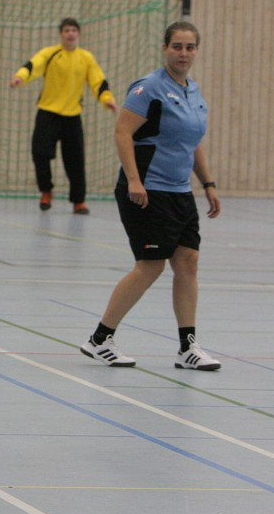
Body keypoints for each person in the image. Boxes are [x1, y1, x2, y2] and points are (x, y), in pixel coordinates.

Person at [80, 21, 221, 371]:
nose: (183, 53)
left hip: (179, 192)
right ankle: (99, 339)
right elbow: (122, 132)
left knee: (187, 263)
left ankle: (187, 347)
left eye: (190, 47)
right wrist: (134, 181)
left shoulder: (193, 92)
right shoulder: (149, 89)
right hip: (147, 190)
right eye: (177, 46)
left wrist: (208, 184)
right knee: (150, 265)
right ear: (165, 48)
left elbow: (192, 144)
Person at [9, 18, 117, 214]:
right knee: (40, 154)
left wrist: (106, 99)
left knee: (75, 160)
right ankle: (46, 191)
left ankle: (79, 201)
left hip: (72, 116)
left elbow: (98, 81)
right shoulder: (50, 53)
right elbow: (33, 65)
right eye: (67, 30)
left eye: (74, 30)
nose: (70, 34)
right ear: (61, 34)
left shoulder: (86, 58)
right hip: (47, 113)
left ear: (78, 34)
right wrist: (20, 77)